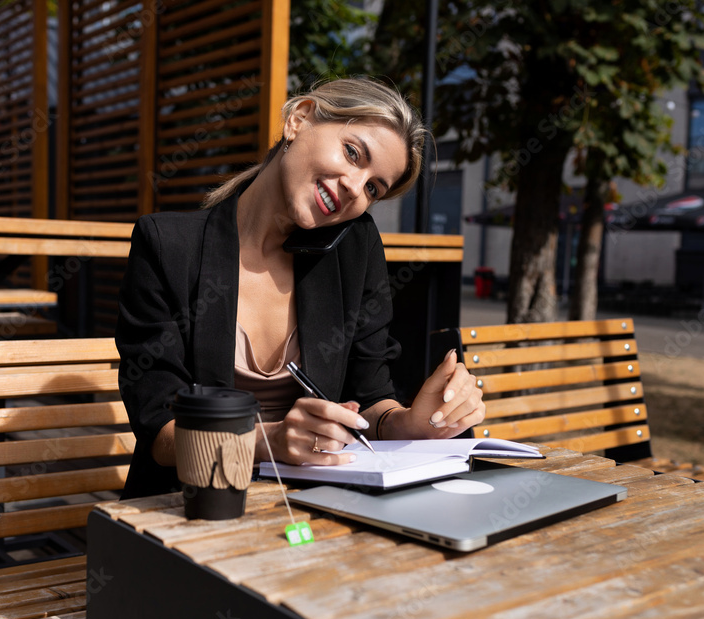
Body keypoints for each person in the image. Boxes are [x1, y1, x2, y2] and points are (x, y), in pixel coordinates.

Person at [116, 77, 485, 498]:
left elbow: (370, 397)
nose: (354, 187)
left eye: (372, 188)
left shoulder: (354, 247)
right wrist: (266, 442)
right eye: (352, 153)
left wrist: (411, 422)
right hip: (190, 505)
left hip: (314, 507)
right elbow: (160, 434)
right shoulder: (167, 247)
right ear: (299, 119)